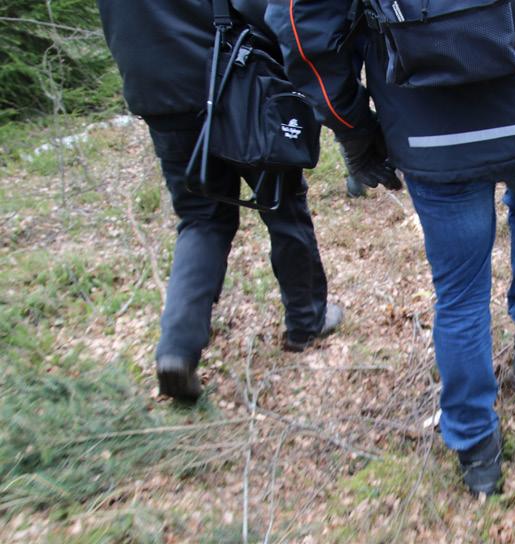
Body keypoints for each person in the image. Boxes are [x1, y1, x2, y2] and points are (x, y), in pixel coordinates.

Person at [267, 0, 515, 494]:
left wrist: (353, 128)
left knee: (461, 291)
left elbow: (301, 28)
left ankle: (475, 447)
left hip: (428, 129)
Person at [97, 0, 344, 402]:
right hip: (234, 85)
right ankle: (306, 321)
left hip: (159, 96)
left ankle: (177, 350)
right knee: (283, 206)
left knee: (201, 220)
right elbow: (264, 10)